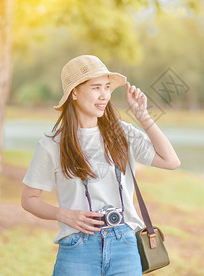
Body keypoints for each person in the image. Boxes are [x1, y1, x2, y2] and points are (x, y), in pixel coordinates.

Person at [21, 55, 180, 276]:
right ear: (74, 92)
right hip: (77, 249)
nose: (104, 95)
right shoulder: (52, 144)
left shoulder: (122, 133)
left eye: (107, 87)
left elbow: (170, 161)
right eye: (96, 88)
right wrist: (63, 214)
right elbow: (29, 199)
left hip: (125, 245)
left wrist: (143, 116)